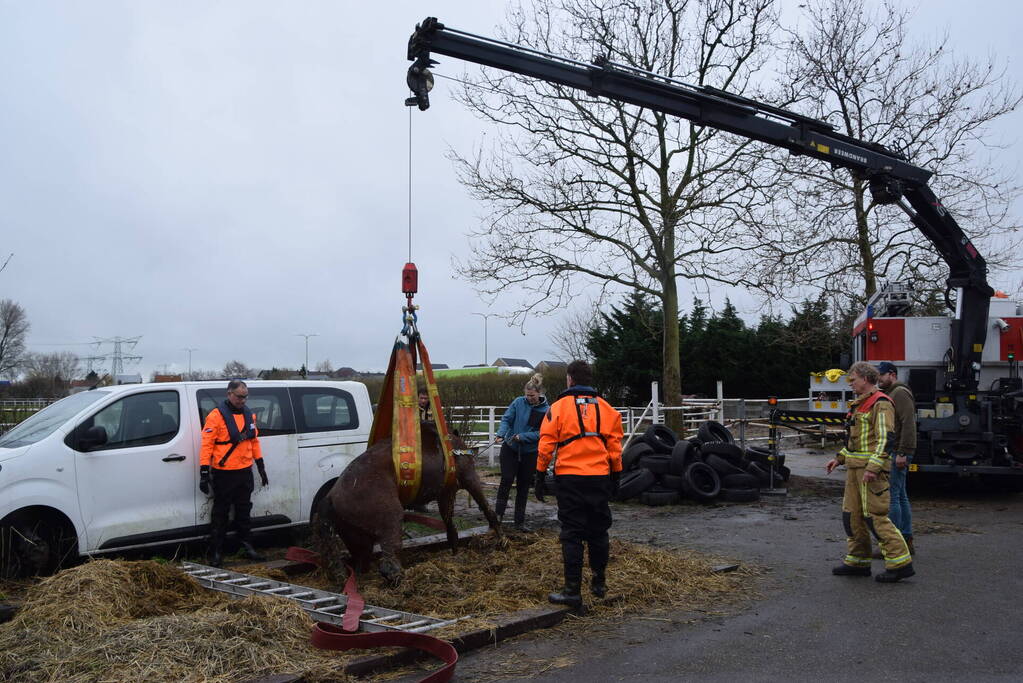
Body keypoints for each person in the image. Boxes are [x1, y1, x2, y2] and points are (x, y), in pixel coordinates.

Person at [536, 360, 623, 607]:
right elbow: (615, 447)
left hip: (570, 477)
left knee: (572, 533)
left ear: (570, 379)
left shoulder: (558, 408)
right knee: (598, 530)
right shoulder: (607, 409)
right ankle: (599, 583)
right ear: (589, 379)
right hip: (599, 477)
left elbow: (546, 444)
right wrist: (616, 476)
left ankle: (572, 590)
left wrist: (540, 475)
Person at [825, 362, 914, 583]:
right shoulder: (860, 404)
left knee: (875, 517)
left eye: (853, 379)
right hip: (856, 470)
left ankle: (900, 563)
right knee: (852, 516)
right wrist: (839, 458)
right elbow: (856, 442)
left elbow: (885, 440)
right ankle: (858, 561)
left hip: (870, 472)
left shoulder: (881, 403)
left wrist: (873, 468)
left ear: (865, 378)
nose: (851, 384)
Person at [199, 380, 269, 567]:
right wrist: (204, 472)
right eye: (239, 396)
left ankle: (247, 547)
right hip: (224, 474)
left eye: (245, 396)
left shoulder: (248, 414)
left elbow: (254, 442)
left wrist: (260, 466)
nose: (243, 400)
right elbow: (207, 445)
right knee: (220, 514)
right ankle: (216, 552)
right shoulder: (216, 416)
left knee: (244, 512)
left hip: (244, 471)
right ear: (229, 394)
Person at [495, 373, 549, 532]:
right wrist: (501, 433)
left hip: (530, 453)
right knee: (506, 479)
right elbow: (507, 419)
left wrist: (523, 437)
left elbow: (543, 433)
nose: (529, 398)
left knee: (523, 486)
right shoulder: (518, 402)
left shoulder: (547, 410)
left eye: (532, 396)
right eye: (527, 395)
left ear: (539, 393)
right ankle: (497, 517)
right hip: (510, 448)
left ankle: (519, 521)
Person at [877, 361, 916, 556]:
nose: (878, 379)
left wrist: (903, 452)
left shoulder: (899, 393)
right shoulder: (893, 392)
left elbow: (908, 422)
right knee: (900, 494)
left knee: (893, 496)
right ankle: (905, 539)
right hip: (898, 449)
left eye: (881, 375)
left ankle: (893, 544)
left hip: (898, 450)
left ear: (892, 374)